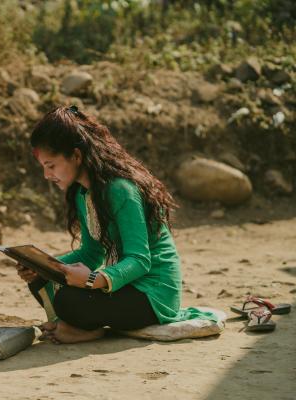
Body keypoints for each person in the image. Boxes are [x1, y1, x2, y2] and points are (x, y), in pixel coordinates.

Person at [19, 105, 216, 344]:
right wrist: (44, 266)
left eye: (51, 166)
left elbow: (140, 260)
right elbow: (92, 253)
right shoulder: (82, 194)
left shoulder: (120, 189)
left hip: (152, 292)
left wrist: (93, 280)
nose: (47, 175)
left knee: (68, 300)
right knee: (41, 279)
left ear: (76, 156)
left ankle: (85, 329)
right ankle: (73, 324)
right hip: (123, 287)